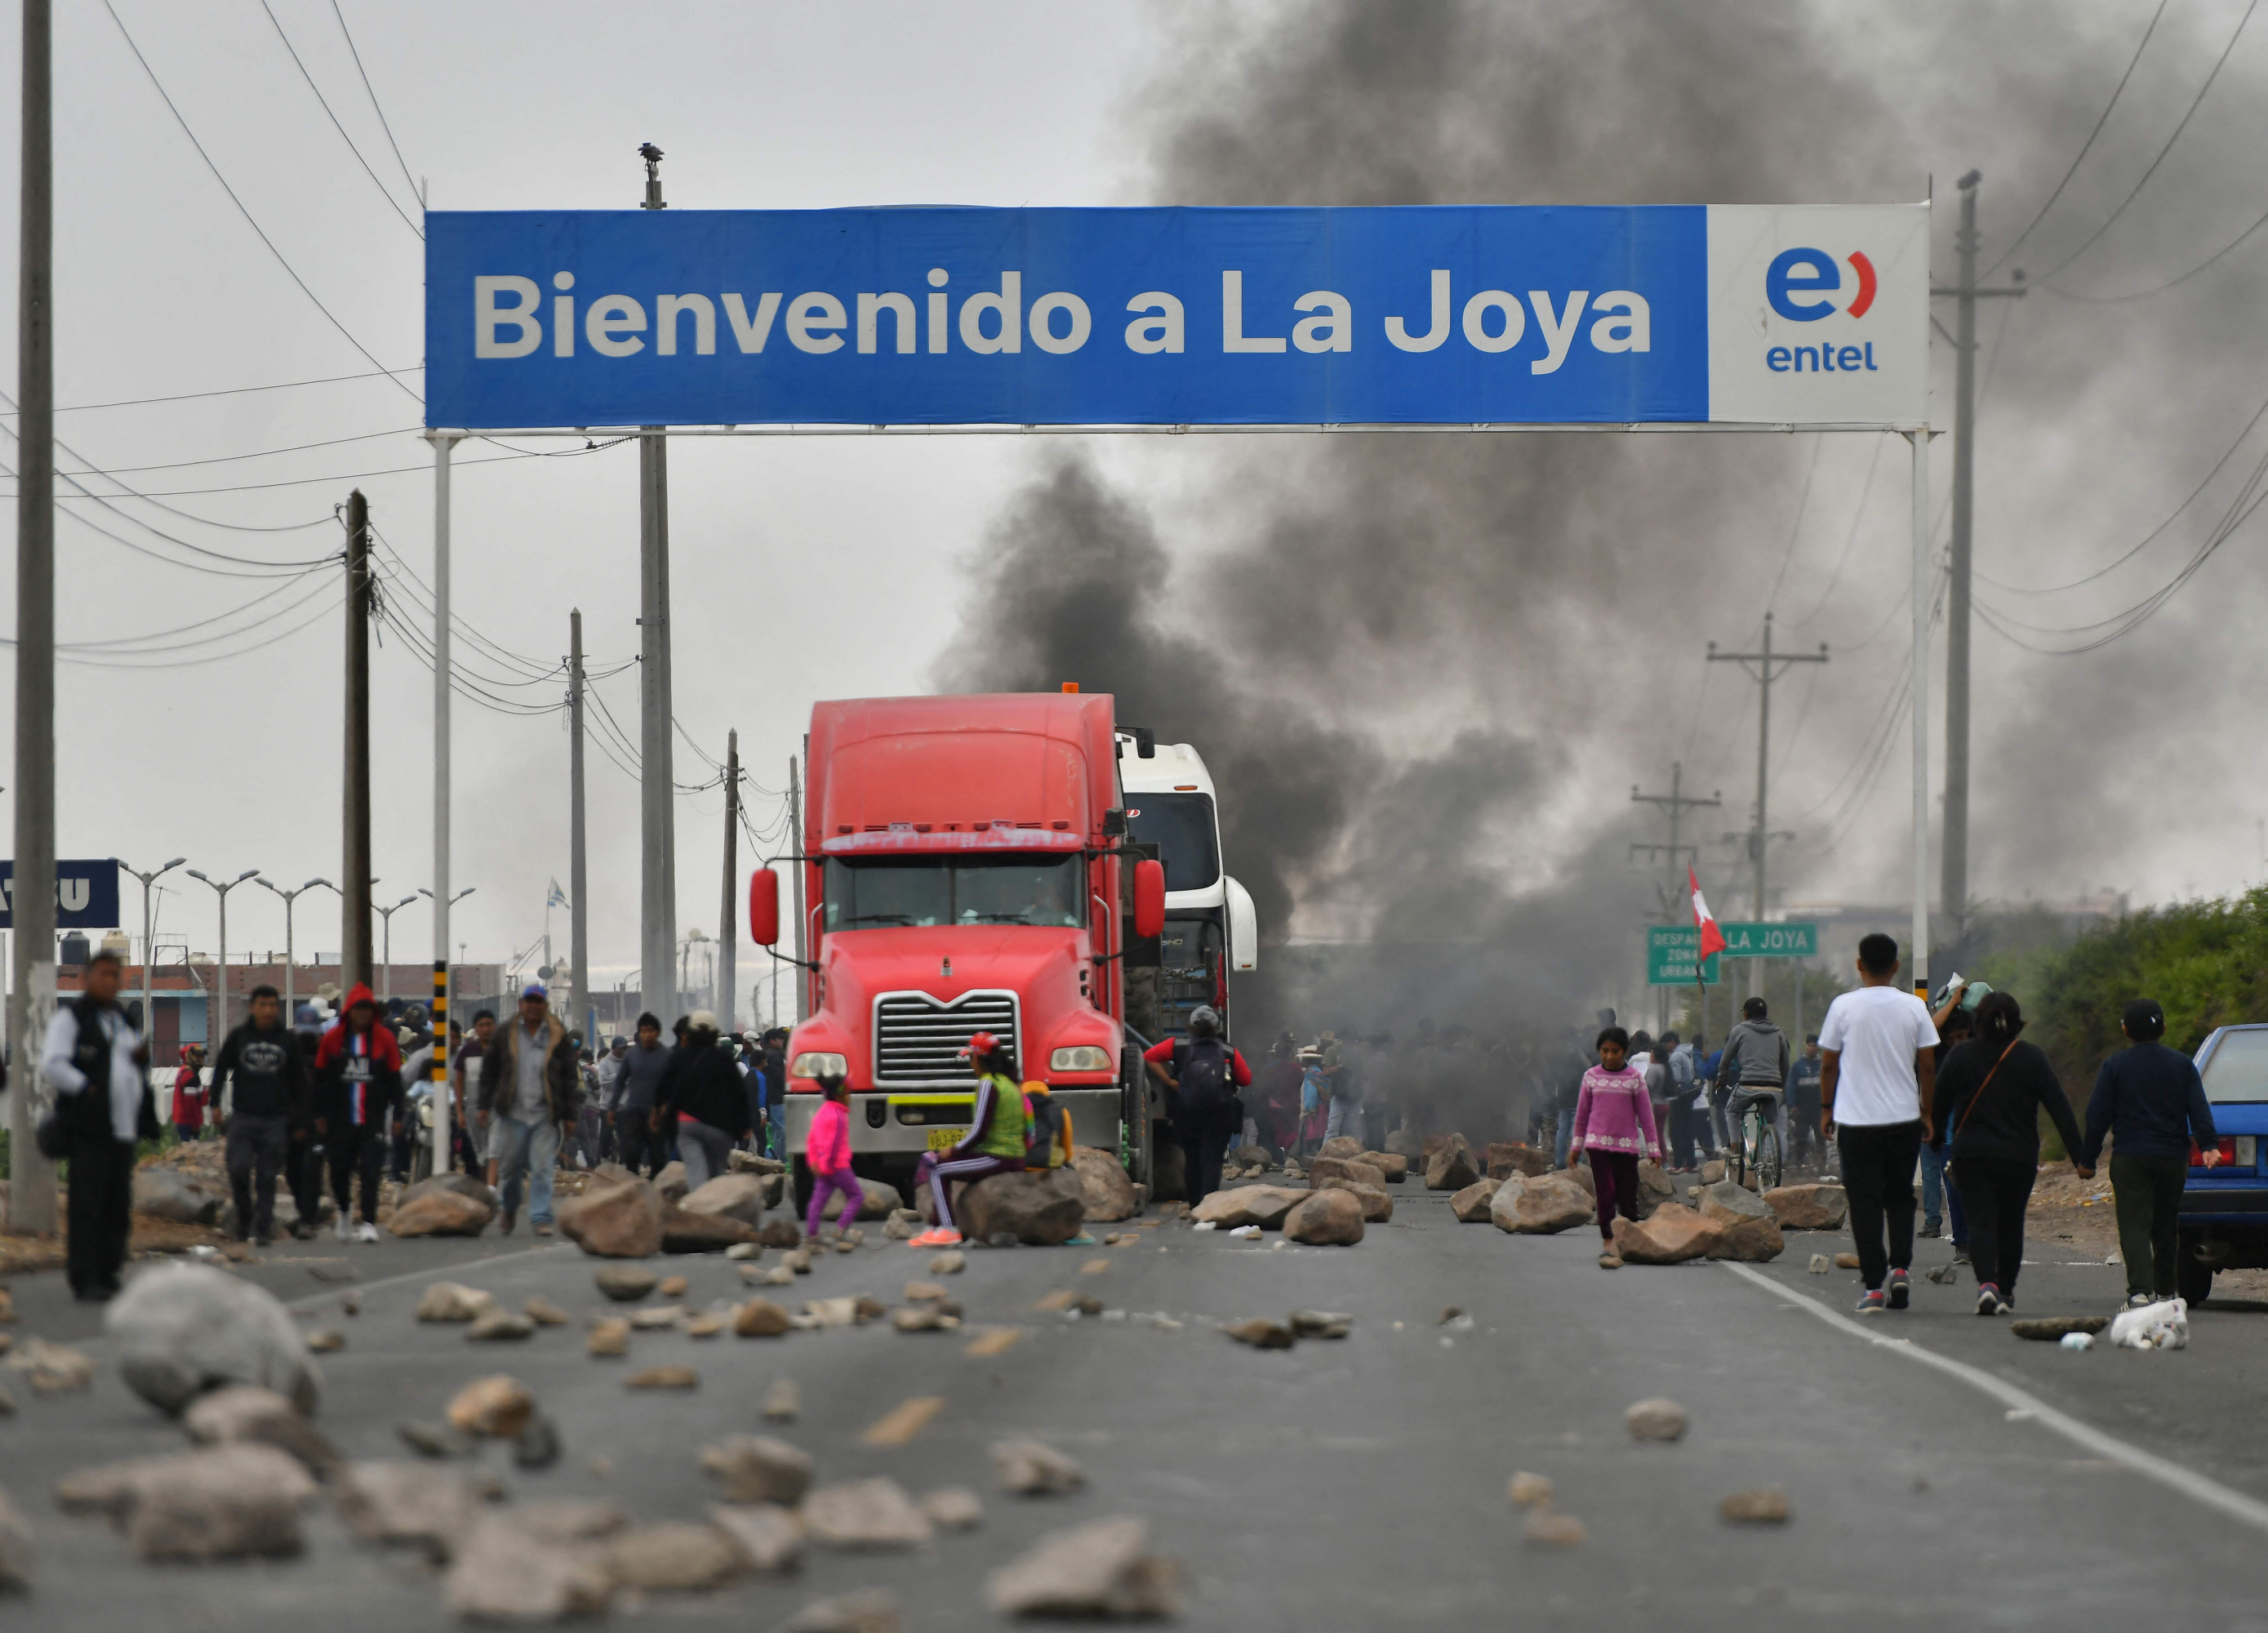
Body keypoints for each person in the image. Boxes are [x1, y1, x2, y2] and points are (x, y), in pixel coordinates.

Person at [1937, 991, 2087, 1315]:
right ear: (2017, 1023)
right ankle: (2005, 1291)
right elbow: (2059, 1108)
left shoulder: (1961, 1055)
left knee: (1979, 1221)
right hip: (2018, 1158)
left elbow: (1939, 1104)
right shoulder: (2032, 1057)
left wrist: (1934, 1143)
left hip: (1972, 1156)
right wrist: (2080, 1158)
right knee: (2010, 1223)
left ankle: (1987, 1285)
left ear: (1978, 1023)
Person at [1818, 932, 1939, 1315]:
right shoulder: (1914, 1006)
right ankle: (1900, 1268)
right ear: (1896, 966)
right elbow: (1928, 1065)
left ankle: (1873, 1286)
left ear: (1859, 965)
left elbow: (1828, 1065)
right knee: (1900, 1196)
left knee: (1864, 1202)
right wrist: (1927, 1112)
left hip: (1857, 1122)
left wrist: (1826, 1109)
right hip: (1904, 1119)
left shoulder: (1843, 1006)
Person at [2079, 998, 2220, 1309]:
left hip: (2131, 1157)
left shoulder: (2115, 1066)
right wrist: (2209, 1145)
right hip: (2172, 1158)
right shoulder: (2182, 1065)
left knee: (2134, 1224)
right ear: (2164, 1028)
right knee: (2166, 1224)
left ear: (2126, 1030)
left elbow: (2097, 1115)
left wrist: (2087, 1160)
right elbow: (2198, 1108)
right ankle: (2168, 1292)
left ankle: (2139, 1293)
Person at [43, 949, 157, 1301]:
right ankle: (85, 1277)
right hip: (89, 1128)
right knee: (88, 1205)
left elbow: (132, 1066)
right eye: (103, 974)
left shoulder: (123, 1020)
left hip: (123, 1130)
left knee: (116, 1204)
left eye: (115, 975)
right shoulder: (72, 1018)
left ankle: (108, 1272)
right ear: (87, 978)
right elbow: (53, 1064)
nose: (110, 981)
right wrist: (86, 1088)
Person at [208, 983, 310, 1245]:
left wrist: (301, 1121)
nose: (268, 1010)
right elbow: (220, 1070)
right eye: (262, 1005)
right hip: (243, 1117)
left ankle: (264, 1228)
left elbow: (299, 1084)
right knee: (238, 1168)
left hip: (275, 1120)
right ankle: (244, 1219)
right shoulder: (239, 1037)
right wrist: (214, 1103)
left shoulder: (287, 1041)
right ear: (252, 1008)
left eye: (272, 1005)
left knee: (267, 1176)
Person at [477, 982, 580, 1236]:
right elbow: (489, 1072)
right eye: (529, 1001)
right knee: (510, 1169)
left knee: (542, 1168)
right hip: (512, 1114)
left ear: (546, 1006)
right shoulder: (505, 1033)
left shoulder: (557, 1034)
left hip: (545, 1115)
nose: (533, 1006)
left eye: (538, 1002)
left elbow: (569, 1077)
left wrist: (570, 1116)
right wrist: (483, 1105)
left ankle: (540, 1217)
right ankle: (509, 1207)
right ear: (521, 1004)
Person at [909, 1031, 1028, 1249]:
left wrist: (954, 1150)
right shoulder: (1009, 1083)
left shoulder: (988, 1083)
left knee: (936, 1168)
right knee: (939, 1164)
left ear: (977, 1058)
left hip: (999, 1156)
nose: (970, 1064)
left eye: (971, 1058)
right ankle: (936, 1227)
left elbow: (980, 1131)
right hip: (1011, 1154)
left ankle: (947, 1229)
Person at [313, 983, 404, 1244]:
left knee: (371, 1171)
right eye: (357, 1009)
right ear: (349, 1011)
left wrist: (399, 1114)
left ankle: (368, 1222)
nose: (362, 1014)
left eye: (367, 1009)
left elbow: (395, 1079)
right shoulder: (333, 1039)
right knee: (339, 1170)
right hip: (339, 1119)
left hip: (373, 1118)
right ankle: (344, 1211)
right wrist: (319, 1113)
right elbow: (320, 1079)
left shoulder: (385, 1039)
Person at [1566, 1025, 1661, 1270]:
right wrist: (1576, 1146)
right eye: (1605, 1051)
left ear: (1625, 1051)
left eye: (1615, 1051)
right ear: (1599, 1051)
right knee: (1606, 1193)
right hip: (1597, 1146)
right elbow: (1582, 1115)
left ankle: (1627, 1239)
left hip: (1627, 1148)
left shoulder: (1634, 1079)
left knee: (1627, 1195)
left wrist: (1654, 1149)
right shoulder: (1591, 1077)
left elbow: (1646, 1116)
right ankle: (1609, 1241)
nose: (1609, 1056)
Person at [1144, 1006, 1252, 1202]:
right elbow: (1246, 1079)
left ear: (1191, 1026)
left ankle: (1194, 1203)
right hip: (1220, 1113)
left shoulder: (1177, 1044)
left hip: (1186, 1111)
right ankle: (1208, 1204)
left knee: (1192, 1158)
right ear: (1216, 1026)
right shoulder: (1228, 1050)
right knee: (1212, 1159)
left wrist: (1170, 1082)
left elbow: (1149, 1056)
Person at [656, 1011, 751, 1189]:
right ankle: (715, 1202)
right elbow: (739, 1093)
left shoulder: (679, 1057)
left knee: (695, 1171)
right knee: (717, 1172)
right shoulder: (725, 1059)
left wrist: (657, 1112)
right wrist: (745, 1124)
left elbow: (663, 1088)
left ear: (690, 1032)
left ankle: (698, 1203)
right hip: (721, 1128)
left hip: (687, 1125)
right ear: (715, 1033)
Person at [1919, 999, 1975, 1239]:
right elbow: (1929, 1029)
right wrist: (1953, 1001)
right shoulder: (1934, 1048)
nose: (1955, 1042)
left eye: (1960, 1036)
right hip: (1929, 1118)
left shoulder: (1974, 1051)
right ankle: (1934, 1222)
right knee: (1932, 1171)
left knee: (1954, 1178)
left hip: (1957, 1124)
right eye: (1950, 1038)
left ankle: (1964, 1234)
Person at [1714, 998, 1791, 1166]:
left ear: (1746, 1013)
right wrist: (1781, 1084)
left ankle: (1735, 1146)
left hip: (1748, 1085)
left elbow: (1725, 1060)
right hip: (1774, 1088)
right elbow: (1786, 1063)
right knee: (1772, 1121)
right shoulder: (1779, 1032)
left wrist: (1721, 1080)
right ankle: (1770, 1157)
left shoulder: (1739, 1030)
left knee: (1731, 1110)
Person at [613, 1012, 674, 1177]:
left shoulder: (667, 1055)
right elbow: (620, 1081)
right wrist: (613, 1107)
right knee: (631, 1152)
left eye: (651, 1031)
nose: (647, 1035)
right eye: (644, 1031)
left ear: (658, 1033)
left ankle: (656, 1186)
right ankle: (633, 1185)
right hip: (634, 1111)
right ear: (639, 1033)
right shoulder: (631, 1055)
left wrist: (667, 1107)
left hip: (657, 1113)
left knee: (657, 1155)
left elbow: (673, 1084)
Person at [803, 1069, 859, 1238]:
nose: (850, 1098)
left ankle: (812, 1234)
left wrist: (814, 1161)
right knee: (856, 1196)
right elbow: (833, 1145)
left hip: (822, 1166)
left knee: (817, 1202)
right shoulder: (839, 1116)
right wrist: (829, 1165)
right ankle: (841, 1228)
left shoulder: (821, 1113)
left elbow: (811, 1139)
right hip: (838, 1166)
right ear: (840, 1095)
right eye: (848, 1094)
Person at [1256, 1034, 1303, 1156]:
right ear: (1290, 1053)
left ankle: (1279, 1152)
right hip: (1292, 1104)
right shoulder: (1297, 1068)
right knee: (1294, 1131)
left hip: (1274, 1104)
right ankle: (1284, 1149)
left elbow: (1263, 1087)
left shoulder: (1268, 1069)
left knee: (1279, 1131)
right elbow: (1300, 1083)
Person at [1784, 1035, 1823, 1169]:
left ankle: (1821, 1165)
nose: (1811, 1048)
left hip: (1818, 1108)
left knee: (1821, 1136)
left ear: (1818, 1048)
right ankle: (1798, 1165)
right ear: (1806, 1046)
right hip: (1802, 1108)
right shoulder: (1798, 1066)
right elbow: (1790, 1086)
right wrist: (1792, 1104)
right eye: (1809, 1045)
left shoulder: (1822, 1065)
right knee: (1801, 1137)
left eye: (1814, 1046)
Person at [1320, 1029, 1363, 1150]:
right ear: (1342, 1039)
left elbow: (1364, 1074)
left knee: (1351, 1132)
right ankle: (1325, 1155)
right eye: (1349, 1039)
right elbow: (1325, 1072)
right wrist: (1340, 1067)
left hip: (1355, 1096)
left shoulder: (1359, 1053)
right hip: (1339, 1095)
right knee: (1333, 1130)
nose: (1351, 1042)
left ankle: (1349, 1156)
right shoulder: (1332, 1051)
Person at [171, 1046, 207, 1143]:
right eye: (198, 1056)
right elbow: (190, 1104)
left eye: (202, 1056)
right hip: (188, 1123)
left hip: (187, 1122)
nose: (201, 1059)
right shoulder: (189, 1075)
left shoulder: (190, 1073)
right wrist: (194, 1125)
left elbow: (202, 1100)